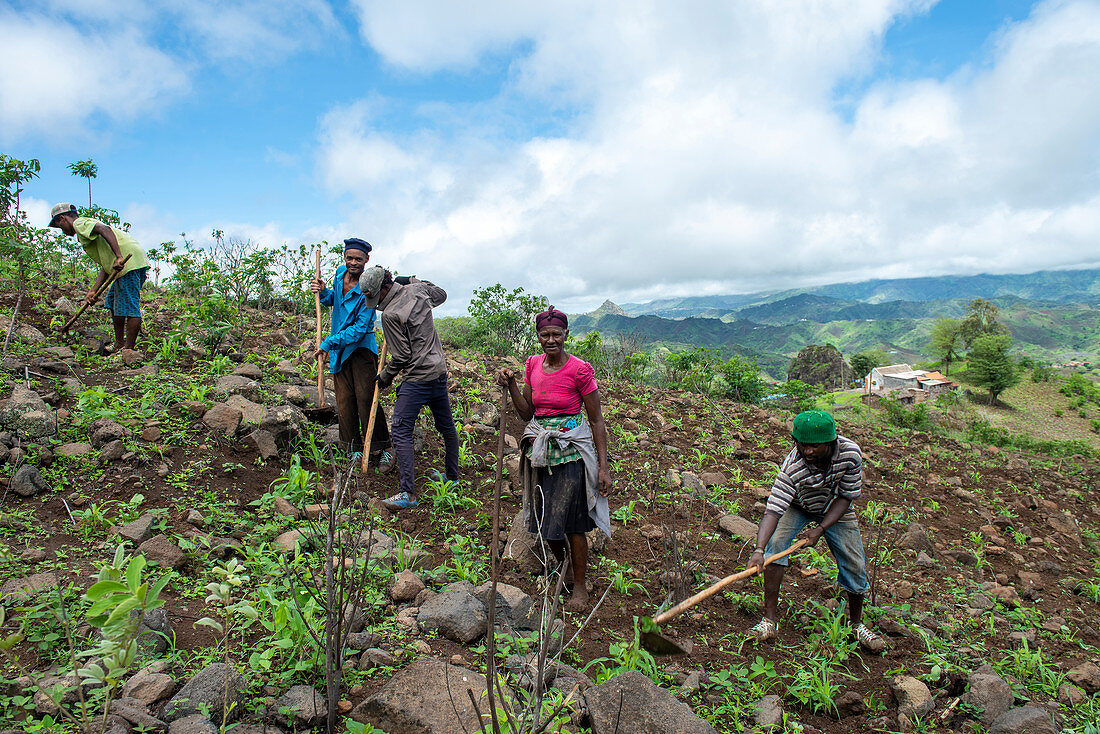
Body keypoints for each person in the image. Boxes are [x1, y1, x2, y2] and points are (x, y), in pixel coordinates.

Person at [498, 306, 612, 612]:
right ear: (538, 336)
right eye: (545, 335)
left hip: (572, 452)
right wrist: (510, 385)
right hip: (541, 452)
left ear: (566, 335)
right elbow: (526, 413)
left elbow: (597, 420)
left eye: (556, 334)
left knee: (574, 524)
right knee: (546, 521)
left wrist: (603, 466)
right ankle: (567, 567)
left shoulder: (579, 370)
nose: (551, 340)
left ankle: (580, 587)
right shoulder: (533, 365)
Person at [745, 410, 886, 652]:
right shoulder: (792, 467)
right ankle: (769, 621)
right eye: (802, 445)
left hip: (834, 507)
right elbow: (773, 511)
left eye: (815, 446)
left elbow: (846, 497)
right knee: (775, 547)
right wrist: (759, 550)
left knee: (855, 563)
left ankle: (857, 624)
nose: (808, 451)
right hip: (797, 506)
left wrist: (820, 529)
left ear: (831, 442)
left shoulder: (850, 454)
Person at [359, 266, 459, 511]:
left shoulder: (390, 314)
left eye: (376, 296)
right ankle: (453, 477)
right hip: (438, 371)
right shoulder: (418, 290)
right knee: (446, 425)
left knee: (401, 431)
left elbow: (402, 355)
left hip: (416, 377)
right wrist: (412, 279)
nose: (376, 302)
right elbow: (441, 293)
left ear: (384, 288)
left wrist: (385, 376)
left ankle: (407, 493)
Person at [310, 238, 393, 471]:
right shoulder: (339, 274)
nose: (353, 263)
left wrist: (328, 343)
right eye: (349, 258)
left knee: (366, 398)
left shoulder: (369, 288)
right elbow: (333, 301)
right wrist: (323, 291)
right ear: (344, 258)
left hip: (361, 350)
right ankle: (354, 449)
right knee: (345, 401)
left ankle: (383, 448)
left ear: (367, 260)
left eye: (358, 259)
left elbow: (358, 330)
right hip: (339, 348)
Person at [48, 203, 151, 353]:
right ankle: (119, 345)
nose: (62, 231)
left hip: (129, 262)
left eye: (59, 226)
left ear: (62, 218)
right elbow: (106, 265)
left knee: (129, 306)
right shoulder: (84, 230)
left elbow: (104, 229)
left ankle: (128, 350)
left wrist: (119, 256)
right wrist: (93, 291)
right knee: (114, 302)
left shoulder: (79, 223)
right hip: (130, 262)